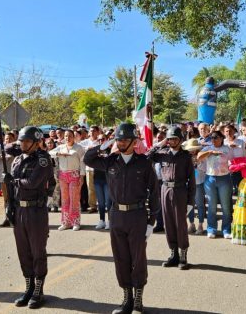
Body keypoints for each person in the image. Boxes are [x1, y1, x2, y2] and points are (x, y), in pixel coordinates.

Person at [83, 123, 160, 314]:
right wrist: (104, 144)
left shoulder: (144, 163)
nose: (121, 143)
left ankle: (138, 298)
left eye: (125, 139)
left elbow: (154, 193)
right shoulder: (110, 161)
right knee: (121, 257)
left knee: (138, 258)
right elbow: (88, 159)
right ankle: (127, 298)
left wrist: (151, 222)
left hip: (137, 215)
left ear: (134, 142)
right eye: (119, 139)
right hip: (116, 215)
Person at [6, 126, 54, 308]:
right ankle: (29, 287)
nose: (23, 144)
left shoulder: (43, 160)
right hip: (19, 210)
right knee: (23, 251)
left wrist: (13, 180)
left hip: (35, 211)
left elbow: (32, 183)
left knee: (37, 252)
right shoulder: (18, 159)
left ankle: (38, 290)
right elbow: (12, 188)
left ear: (36, 142)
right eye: (21, 141)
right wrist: (9, 205)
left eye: (27, 141)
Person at [146, 126, 195, 270]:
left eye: (175, 138)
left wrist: (190, 201)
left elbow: (191, 181)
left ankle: (183, 254)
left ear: (180, 140)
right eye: (170, 139)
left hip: (180, 190)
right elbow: (147, 157)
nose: (172, 141)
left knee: (180, 224)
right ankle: (173, 253)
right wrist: (160, 144)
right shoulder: (162, 153)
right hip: (165, 189)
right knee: (168, 223)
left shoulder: (185, 156)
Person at [196, 131, 234, 239]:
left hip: (224, 178)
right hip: (210, 178)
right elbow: (199, 157)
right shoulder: (208, 148)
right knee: (211, 206)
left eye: (216, 137)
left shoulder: (227, 149)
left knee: (226, 206)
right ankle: (211, 229)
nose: (213, 139)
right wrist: (210, 152)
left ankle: (226, 230)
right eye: (212, 137)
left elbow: (233, 161)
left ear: (221, 138)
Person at [49, 130, 86, 231]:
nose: (67, 138)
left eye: (69, 136)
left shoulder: (79, 148)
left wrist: (82, 176)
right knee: (65, 200)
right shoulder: (61, 147)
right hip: (63, 175)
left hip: (75, 175)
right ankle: (66, 222)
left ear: (73, 137)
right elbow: (50, 152)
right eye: (65, 136)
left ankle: (75, 222)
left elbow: (82, 162)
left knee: (74, 199)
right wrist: (59, 153)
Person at [183, 139, 206, 235]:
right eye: (190, 149)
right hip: (188, 183)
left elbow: (205, 169)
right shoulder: (185, 157)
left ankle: (200, 224)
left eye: (194, 149)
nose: (192, 151)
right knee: (189, 205)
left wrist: (198, 163)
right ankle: (191, 224)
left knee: (200, 204)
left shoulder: (202, 156)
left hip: (199, 183)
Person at [79, 126, 102, 214]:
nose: (92, 132)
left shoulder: (100, 141)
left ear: (98, 132)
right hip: (89, 168)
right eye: (90, 131)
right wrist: (87, 148)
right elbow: (78, 148)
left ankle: (101, 205)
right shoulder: (84, 142)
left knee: (100, 187)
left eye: (94, 131)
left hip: (100, 169)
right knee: (91, 188)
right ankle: (93, 206)